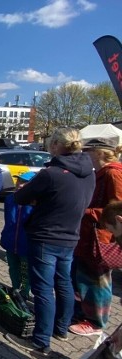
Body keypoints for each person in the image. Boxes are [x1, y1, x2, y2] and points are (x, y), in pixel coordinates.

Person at [6, 127, 95, 357]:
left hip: (46, 236)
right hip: (70, 236)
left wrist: (35, 197)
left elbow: (20, 197)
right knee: (64, 282)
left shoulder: (51, 173)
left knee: (43, 289)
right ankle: (61, 328)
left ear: (56, 145)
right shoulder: (89, 172)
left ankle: (40, 340)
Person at [70, 138, 122, 337]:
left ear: (100, 152)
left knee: (98, 281)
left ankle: (96, 322)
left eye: (88, 151)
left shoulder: (113, 173)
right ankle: (83, 314)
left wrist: (86, 210)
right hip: (88, 235)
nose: (85, 155)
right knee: (83, 278)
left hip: (101, 236)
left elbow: (117, 209)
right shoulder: (101, 173)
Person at [0, 171, 36, 300]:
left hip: (26, 243)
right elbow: (7, 219)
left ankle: (25, 292)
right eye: (19, 181)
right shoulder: (10, 199)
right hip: (10, 240)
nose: (20, 185)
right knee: (13, 267)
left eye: (25, 182)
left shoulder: (35, 203)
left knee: (26, 270)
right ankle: (15, 288)